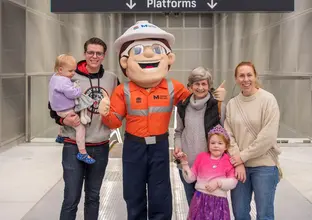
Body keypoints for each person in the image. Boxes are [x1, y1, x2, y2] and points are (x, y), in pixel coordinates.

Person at [98, 21, 227, 220]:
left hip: (159, 146)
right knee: (133, 191)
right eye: (138, 50)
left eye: (156, 49)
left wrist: (213, 96)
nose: (148, 55)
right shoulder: (123, 90)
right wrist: (105, 112)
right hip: (134, 146)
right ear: (125, 61)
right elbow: (114, 122)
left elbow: (195, 102)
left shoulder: (172, 87)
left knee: (161, 193)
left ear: (168, 58)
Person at [48, 37, 119, 220]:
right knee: (71, 197)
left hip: (101, 145)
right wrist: (64, 122)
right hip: (73, 145)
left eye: (99, 53)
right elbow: (53, 107)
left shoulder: (111, 79)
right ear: (85, 54)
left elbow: (119, 108)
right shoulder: (69, 76)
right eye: (90, 52)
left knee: (93, 197)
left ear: (104, 56)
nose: (94, 56)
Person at [224, 61, 281, 220]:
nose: (245, 79)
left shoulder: (268, 100)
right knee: (240, 213)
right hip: (239, 168)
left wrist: (241, 157)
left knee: (264, 215)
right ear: (236, 79)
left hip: (264, 166)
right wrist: (239, 162)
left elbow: (267, 137)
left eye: (249, 75)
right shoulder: (232, 104)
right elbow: (229, 136)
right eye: (241, 76)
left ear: (255, 76)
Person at [173, 66, 226, 206]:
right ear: (190, 86)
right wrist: (177, 147)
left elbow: (225, 136)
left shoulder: (218, 106)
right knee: (193, 207)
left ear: (209, 86)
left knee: (210, 208)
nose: (200, 87)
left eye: (204, 84)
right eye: (197, 83)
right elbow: (178, 131)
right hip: (187, 166)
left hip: (210, 168)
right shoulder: (182, 107)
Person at [176, 124, 237, 220]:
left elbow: (233, 182)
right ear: (208, 145)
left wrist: (218, 183)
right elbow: (190, 179)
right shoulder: (201, 157)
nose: (216, 146)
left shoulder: (228, 161)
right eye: (212, 143)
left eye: (220, 143)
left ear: (226, 146)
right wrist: (184, 163)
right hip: (200, 200)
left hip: (219, 203)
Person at [49, 54, 95, 164]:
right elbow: (72, 94)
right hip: (66, 109)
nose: (73, 73)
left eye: (74, 70)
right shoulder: (64, 81)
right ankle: (82, 153)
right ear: (60, 69)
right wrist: (78, 90)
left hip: (58, 109)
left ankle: (60, 135)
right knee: (80, 128)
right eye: (70, 71)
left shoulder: (54, 77)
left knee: (66, 119)